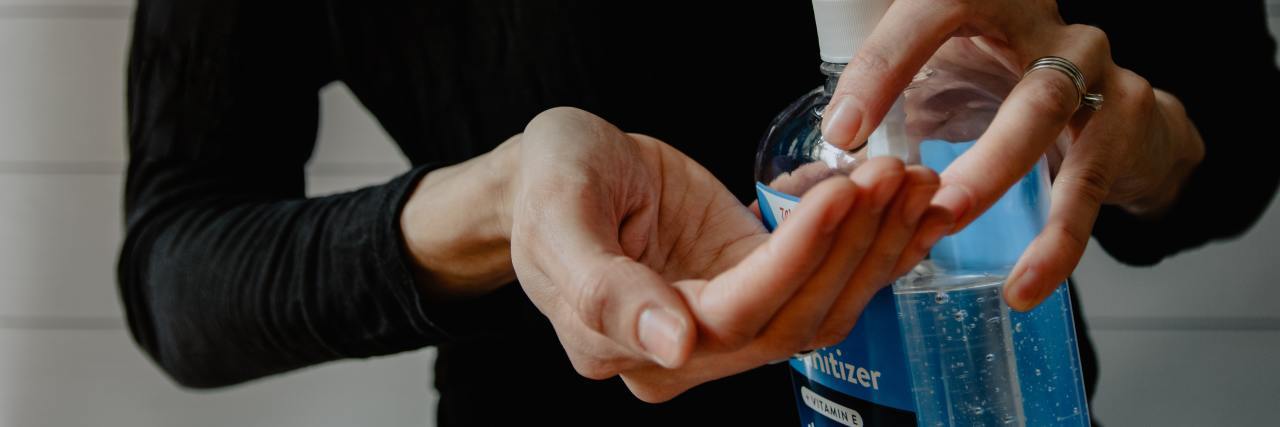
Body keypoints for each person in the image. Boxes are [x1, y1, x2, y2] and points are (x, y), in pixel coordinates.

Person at [119, 0, 1279, 425]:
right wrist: (502, 205)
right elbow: (178, 270)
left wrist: (1143, 144)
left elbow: (1233, 152)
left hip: (989, 389)